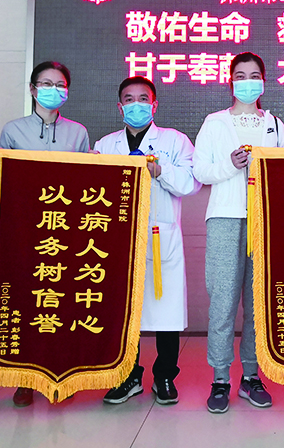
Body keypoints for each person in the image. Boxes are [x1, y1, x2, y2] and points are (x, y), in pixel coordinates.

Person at [193, 52, 284, 414]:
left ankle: (251, 376)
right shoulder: (215, 122)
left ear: (263, 82)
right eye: (240, 75)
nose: (247, 82)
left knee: (256, 303)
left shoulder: (275, 124)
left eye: (254, 76)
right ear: (230, 81)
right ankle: (220, 378)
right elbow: (200, 170)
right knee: (222, 300)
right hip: (225, 217)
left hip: (263, 221)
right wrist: (229, 165)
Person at [96, 76, 200, 406]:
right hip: (119, 240)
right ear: (120, 107)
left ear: (154, 105)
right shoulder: (105, 145)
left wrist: (161, 171)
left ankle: (165, 375)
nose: (136, 105)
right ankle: (128, 375)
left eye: (143, 99)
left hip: (160, 236)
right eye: (129, 99)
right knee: (125, 311)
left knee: (166, 311)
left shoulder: (174, 140)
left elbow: (191, 184)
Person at [0, 60, 90, 407]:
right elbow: (3, 179)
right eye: (46, 84)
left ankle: (61, 373)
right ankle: (25, 378)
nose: (54, 90)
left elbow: (86, 182)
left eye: (60, 84)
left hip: (65, 230)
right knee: (27, 301)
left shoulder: (78, 132)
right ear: (33, 89)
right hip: (26, 228)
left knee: (63, 301)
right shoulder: (12, 130)